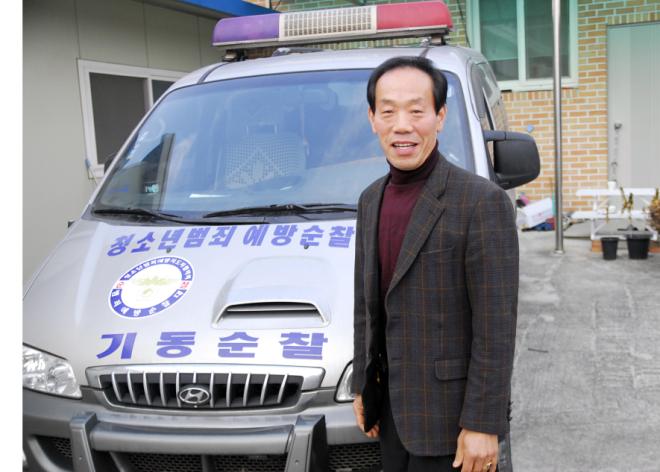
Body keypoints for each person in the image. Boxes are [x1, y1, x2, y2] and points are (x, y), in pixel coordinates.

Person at [351, 56, 518, 472]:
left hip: (453, 422)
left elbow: (496, 327)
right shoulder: (370, 200)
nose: (402, 126)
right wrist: (362, 386)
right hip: (391, 415)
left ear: (440, 117)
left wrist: (483, 423)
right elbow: (365, 306)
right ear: (372, 119)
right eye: (388, 112)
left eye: (416, 111)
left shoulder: (480, 202)